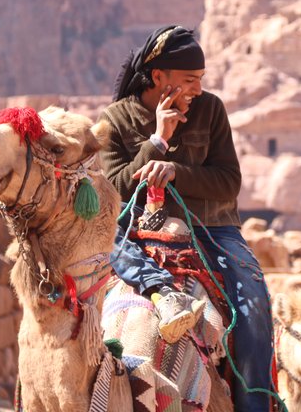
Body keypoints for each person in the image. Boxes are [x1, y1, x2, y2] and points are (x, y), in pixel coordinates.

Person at [99, 25, 274, 412]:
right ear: (158, 77)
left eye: (200, 80)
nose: (197, 89)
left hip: (212, 229)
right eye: (188, 80)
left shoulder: (210, 110)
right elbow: (113, 190)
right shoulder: (115, 120)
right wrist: (158, 140)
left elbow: (229, 182)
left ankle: (257, 405)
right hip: (137, 233)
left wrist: (176, 171)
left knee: (253, 305)